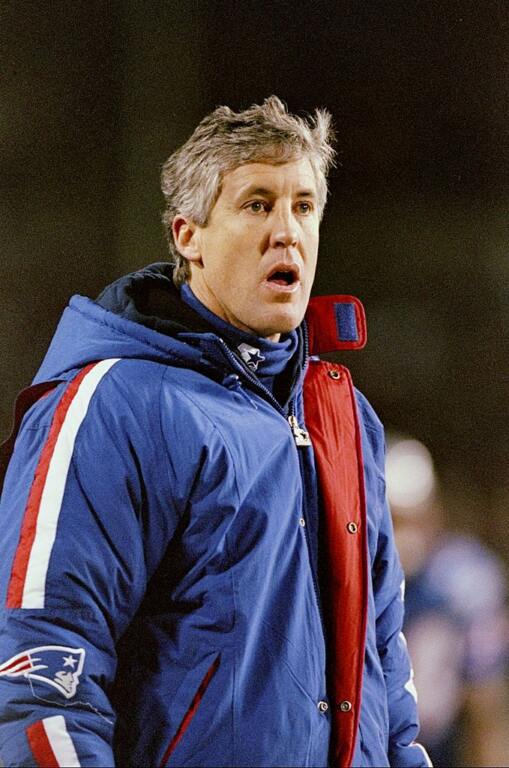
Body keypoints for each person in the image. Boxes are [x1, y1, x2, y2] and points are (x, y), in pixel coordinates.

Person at [0, 97, 430, 768]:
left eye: (304, 206)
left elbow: (386, 675)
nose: (286, 231)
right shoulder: (115, 405)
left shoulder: (344, 417)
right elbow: (42, 672)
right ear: (187, 236)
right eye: (257, 204)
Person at [387, 434, 509, 767]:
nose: (403, 534)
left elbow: (484, 704)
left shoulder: (462, 578)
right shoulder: (351, 581)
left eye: (411, 519)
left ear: (432, 513)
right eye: (391, 520)